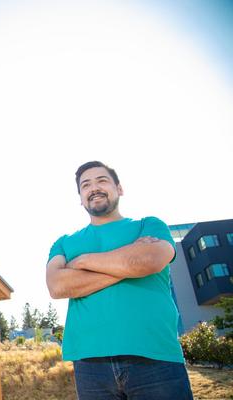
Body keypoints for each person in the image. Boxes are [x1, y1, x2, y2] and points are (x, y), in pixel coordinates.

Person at [46, 161, 193, 399]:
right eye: (86, 185)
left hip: (155, 357)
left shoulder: (149, 224)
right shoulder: (63, 242)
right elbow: (57, 285)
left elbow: (151, 260)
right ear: (80, 198)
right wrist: (128, 261)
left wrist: (82, 261)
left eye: (102, 180)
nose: (94, 188)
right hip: (90, 364)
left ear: (119, 188)